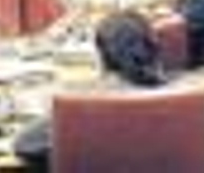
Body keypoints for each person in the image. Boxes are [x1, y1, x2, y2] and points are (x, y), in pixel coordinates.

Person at [13, 12, 170, 166]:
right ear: (154, 49)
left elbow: (25, 145)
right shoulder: (177, 100)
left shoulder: (83, 107)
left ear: (102, 57)